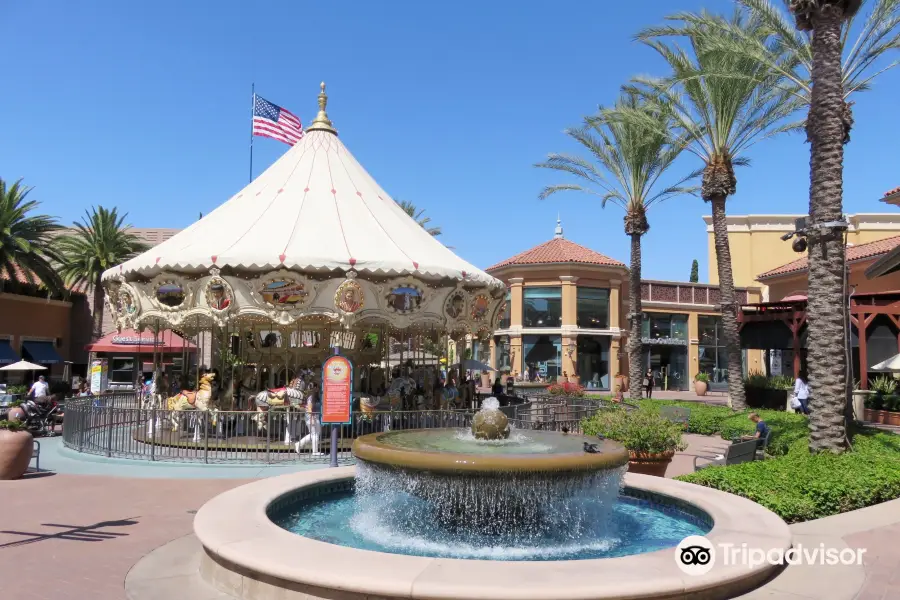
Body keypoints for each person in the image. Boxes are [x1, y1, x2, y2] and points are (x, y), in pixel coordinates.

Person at [295, 384, 323, 456]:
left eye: (318, 388)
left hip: (315, 416)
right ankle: (315, 451)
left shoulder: (317, 398)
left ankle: (299, 444)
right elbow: (310, 408)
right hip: (311, 416)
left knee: (315, 433)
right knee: (314, 434)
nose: (318, 390)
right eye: (316, 388)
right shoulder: (311, 398)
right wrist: (312, 418)